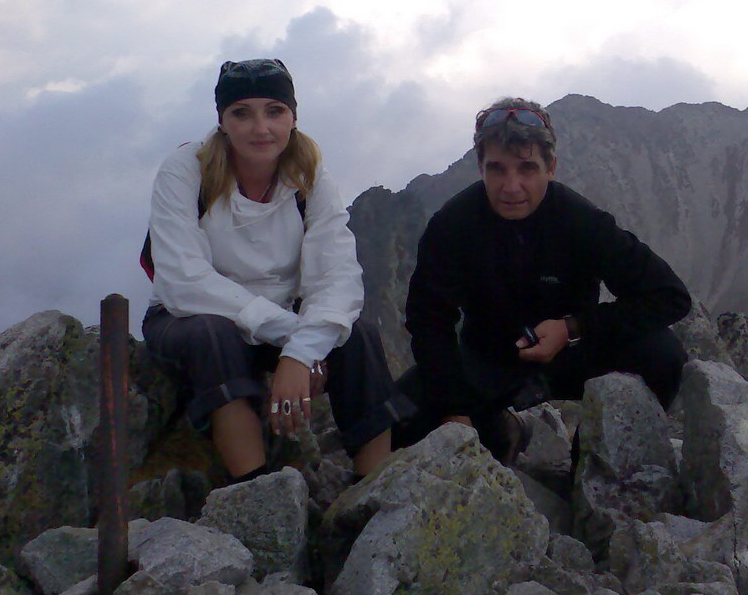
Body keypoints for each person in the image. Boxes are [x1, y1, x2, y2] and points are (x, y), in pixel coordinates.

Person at [142, 58, 398, 484]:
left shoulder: (310, 176)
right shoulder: (186, 170)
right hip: (188, 317)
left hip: (281, 318)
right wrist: (295, 340)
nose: (261, 128)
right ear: (222, 121)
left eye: (274, 111)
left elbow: (336, 277)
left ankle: (378, 488)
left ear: (293, 117)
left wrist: (300, 351)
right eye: (242, 113)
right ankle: (256, 490)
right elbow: (182, 279)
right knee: (214, 335)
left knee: (361, 337)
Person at [397, 97, 692, 461]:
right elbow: (428, 320)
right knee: (398, 417)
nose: (511, 186)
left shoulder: (581, 220)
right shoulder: (452, 225)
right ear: (480, 167)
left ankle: (590, 464)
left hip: (575, 353)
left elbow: (670, 296)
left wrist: (573, 327)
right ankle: (502, 431)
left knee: (663, 355)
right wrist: (454, 414)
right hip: (490, 358)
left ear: (550, 168)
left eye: (527, 169)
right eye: (497, 169)